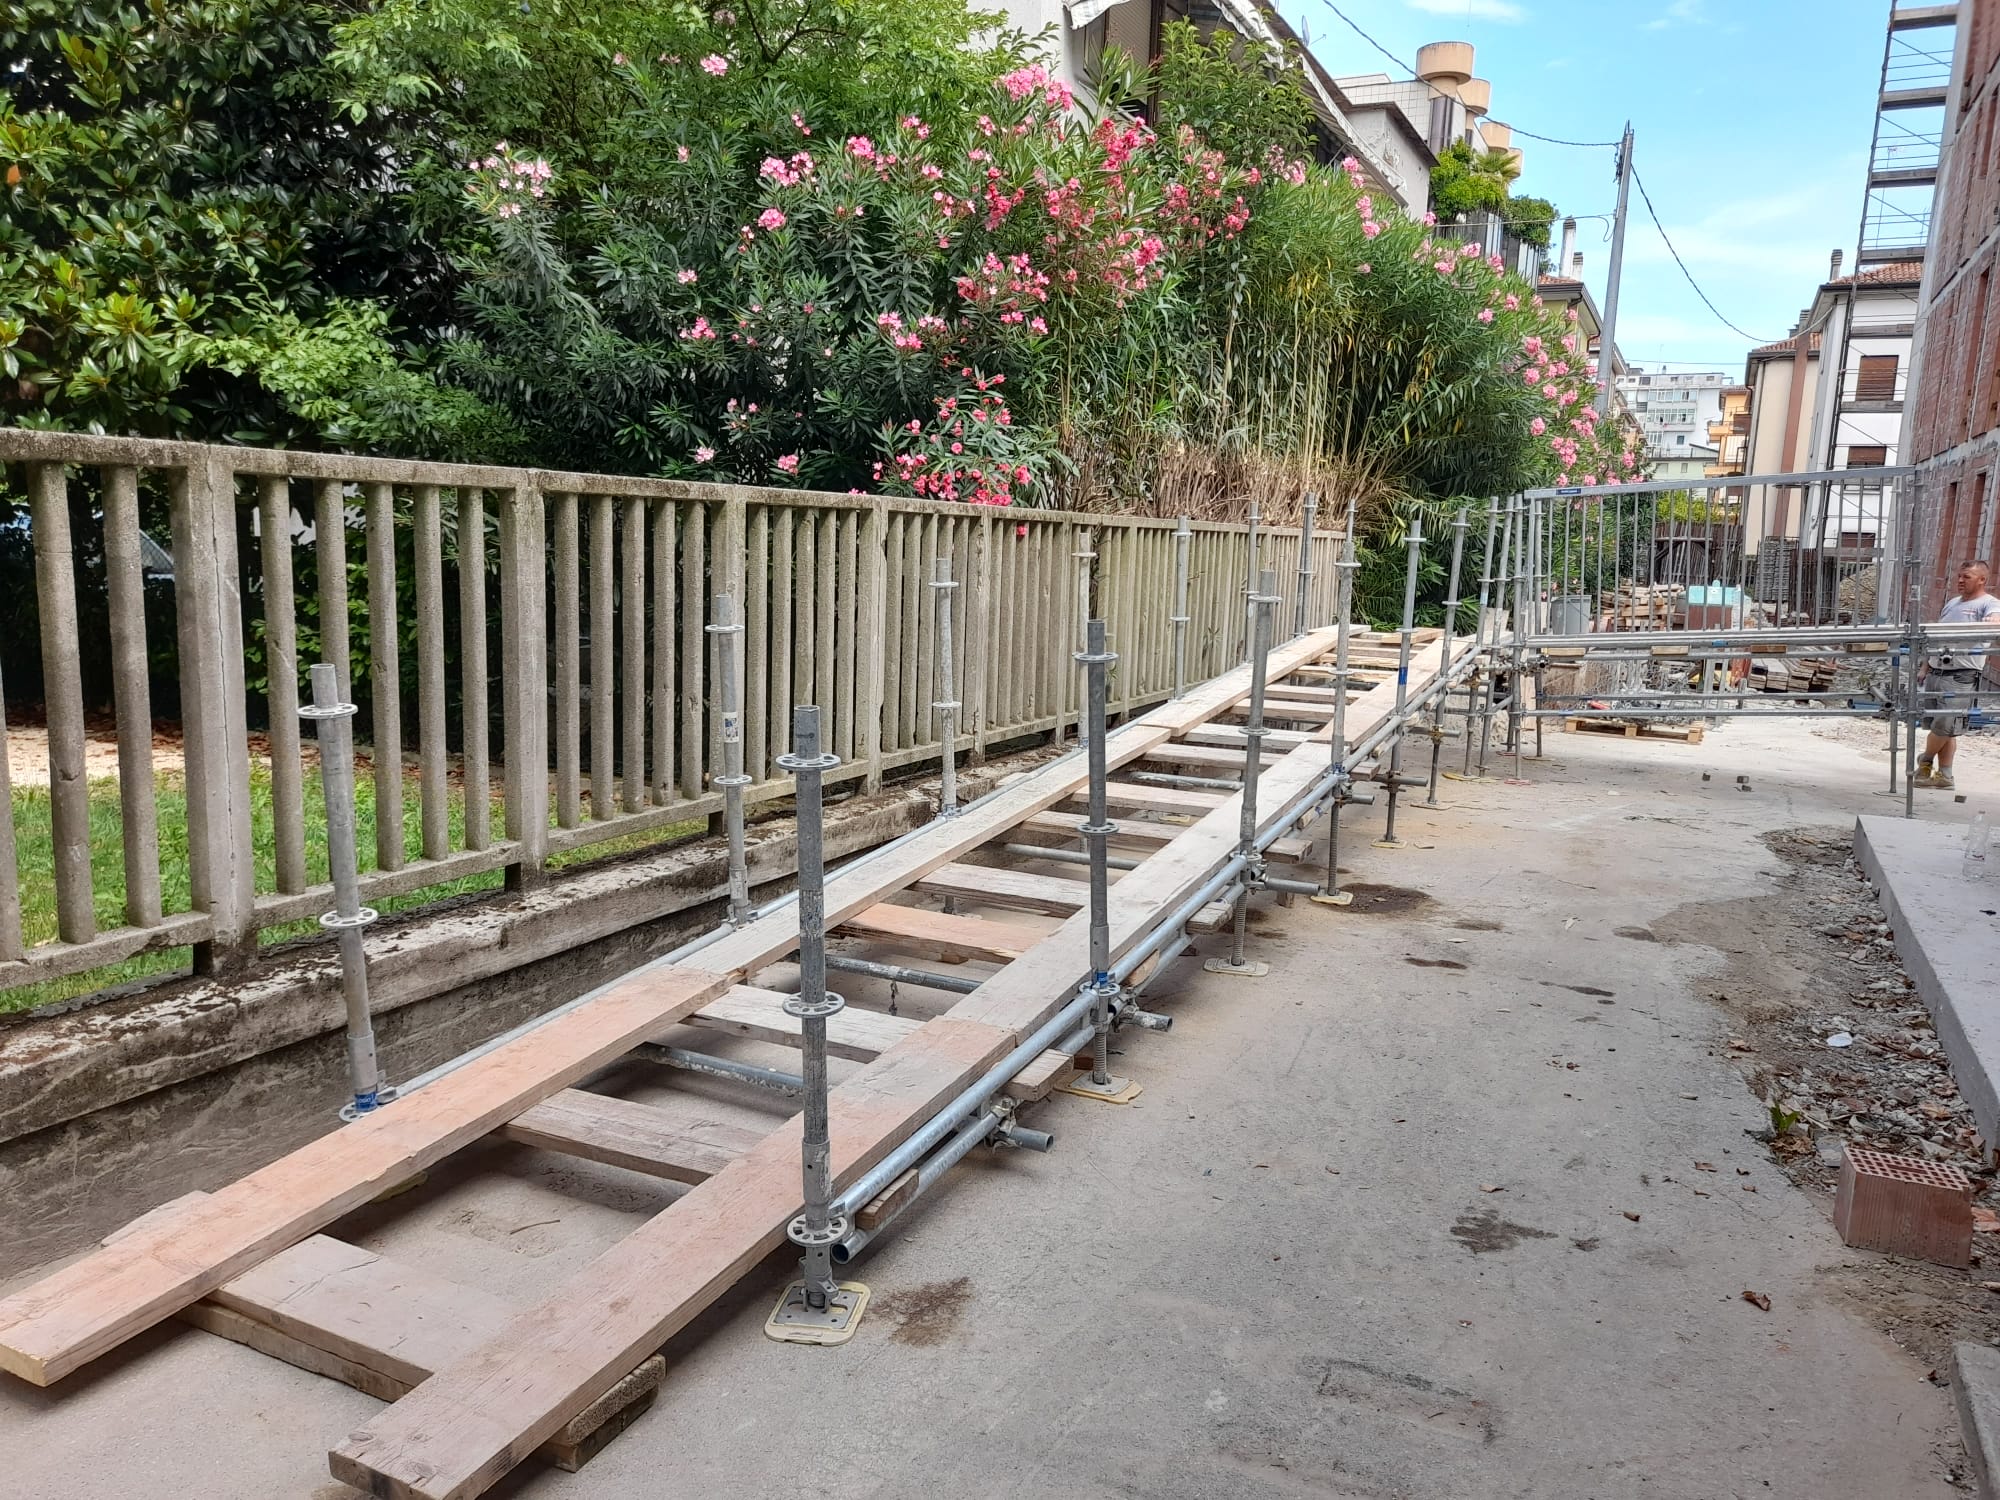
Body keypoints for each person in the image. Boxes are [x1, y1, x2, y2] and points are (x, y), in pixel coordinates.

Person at [1918, 560, 2000, 790]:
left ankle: (1925, 760)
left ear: (1982, 580)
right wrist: (1925, 667)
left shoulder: (1989, 603)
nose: (1961, 581)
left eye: (1967, 577)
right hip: (1937, 670)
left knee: (1945, 724)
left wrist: (1994, 621)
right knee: (1946, 727)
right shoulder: (1952, 603)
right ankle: (1945, 775)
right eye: (1959, 576)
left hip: (1961, 674)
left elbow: (1996, 618)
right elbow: (1936, 637)